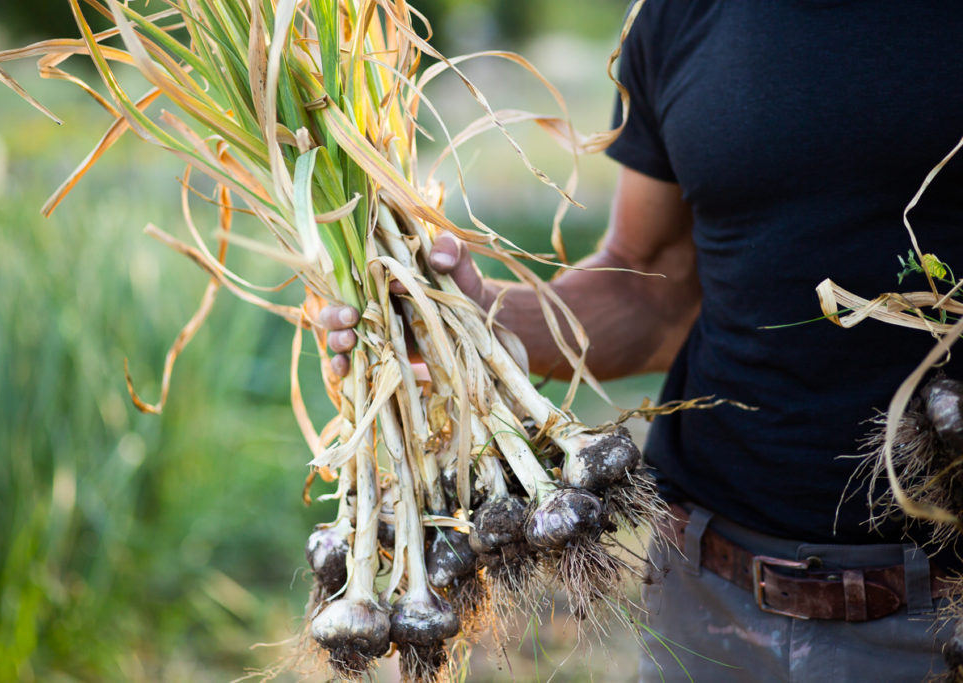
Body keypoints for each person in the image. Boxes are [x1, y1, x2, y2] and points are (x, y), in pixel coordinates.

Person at [322, 2, 963, 680]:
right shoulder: (682, 14)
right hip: (707, 596)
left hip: (946, 612)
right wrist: (461, 321)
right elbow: (656, 294)